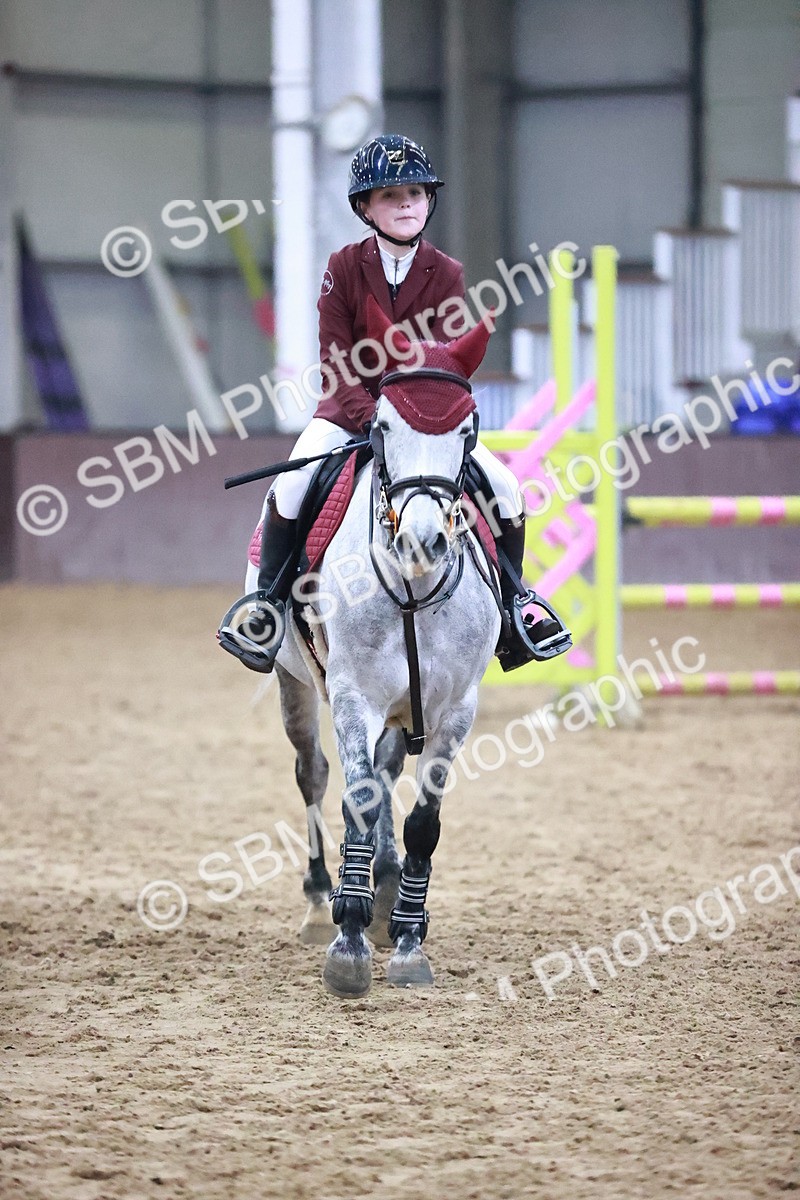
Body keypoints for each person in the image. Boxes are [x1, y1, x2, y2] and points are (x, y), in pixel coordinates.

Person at [219, 133, 561, 673]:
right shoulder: (344, 267)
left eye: (416, 193)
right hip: (346, 412)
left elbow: (445, 360)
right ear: (364, 207)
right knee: (289, 487)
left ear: (429, 202)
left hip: (426, 422)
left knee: (506, 488)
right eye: (389, 194)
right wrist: (371, 421)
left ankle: (518, 603)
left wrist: (415, 423)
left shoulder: (446, 273)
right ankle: (269, 606)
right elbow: (335, 357)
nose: (405, 203)